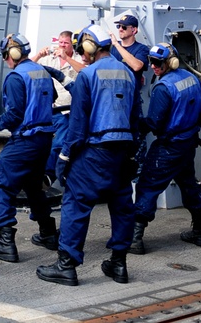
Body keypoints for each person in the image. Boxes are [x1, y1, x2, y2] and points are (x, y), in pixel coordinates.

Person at [37, 25, 137, 286]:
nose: (82, 55)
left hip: (94, 152)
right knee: (122, 208)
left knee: (76, 205)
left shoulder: (88, 75)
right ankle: (118, 264)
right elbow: (136, 118)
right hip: (122, 152)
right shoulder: (128, 73)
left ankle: (66, 266)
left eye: (83, 50)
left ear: (90, 48)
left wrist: (64, 157)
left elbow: (78, 123)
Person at [0, 34, 59, 263]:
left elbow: (13, 116)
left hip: (26, 140)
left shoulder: (15, 77)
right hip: (44, 140)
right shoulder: (42, 72)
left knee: (0, 184)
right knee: (33, 186)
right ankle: (48, 233)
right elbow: (53, 98)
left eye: (5, 56)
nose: (4, 61)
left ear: (12, 54)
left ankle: (6, 243)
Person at [129, 43, 201, 255]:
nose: (153, 66)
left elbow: (154, 123)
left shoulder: (164, 88)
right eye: (151, 62)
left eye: (157, 63)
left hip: (168, 146)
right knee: (189, 185)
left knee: (148, 186)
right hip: (187, 144)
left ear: (170, 62)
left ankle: (135, 239)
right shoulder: (191, 78)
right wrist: (194, 126)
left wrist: (134, 124)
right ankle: (200, 232)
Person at [32, 31, 82, 178]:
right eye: (60, 43)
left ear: (71, 44)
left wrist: (66, 58)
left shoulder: (78, 58)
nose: (62, 46)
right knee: (42, 142)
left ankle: (49, 175)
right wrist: (40, 56)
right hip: (49, 109)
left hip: (68, 110)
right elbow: (27, 67)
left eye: (65, 43)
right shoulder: (49, 59)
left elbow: (86, 71)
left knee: (59, 143)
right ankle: (38, 173)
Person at [110, 13, 149, 90]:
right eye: (119, 26)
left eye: (124, 27)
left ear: (134, 30)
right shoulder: (112, 48)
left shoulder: (141, 49)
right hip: (114, 92)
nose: (120, 29)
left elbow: (137, 66)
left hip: (131, 95)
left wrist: (117, 45)